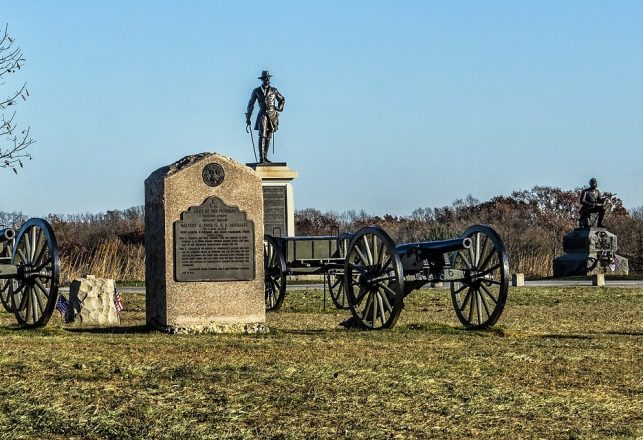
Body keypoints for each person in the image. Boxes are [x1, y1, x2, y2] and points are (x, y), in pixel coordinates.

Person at [245, 70, 285, 163]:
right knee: (262, 135)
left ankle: (265, 156)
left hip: (272, 114)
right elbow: (251, 105)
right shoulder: (256, 91)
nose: (267, 79)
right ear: (262, 79)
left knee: (268, 136)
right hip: (263, 114)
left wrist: (279, 108)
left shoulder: (274, 90)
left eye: (268, 78)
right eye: (265, 78)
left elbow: (282, 99)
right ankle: (261, 157)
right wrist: (248, 118)